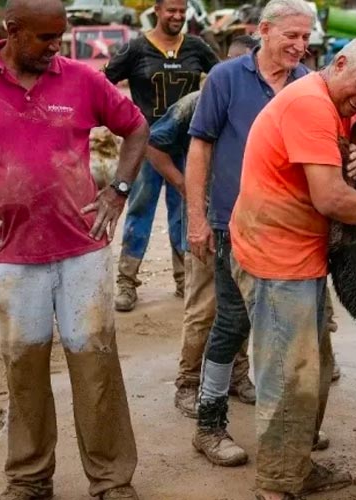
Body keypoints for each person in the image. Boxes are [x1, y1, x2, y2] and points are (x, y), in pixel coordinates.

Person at [229, 34, 356, 500]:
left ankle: (294, 466)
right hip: (277, 258)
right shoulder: (310, 105)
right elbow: (330, 197)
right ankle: (278, 484)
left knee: (314, 368)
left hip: (300, 253)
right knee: (290, 375)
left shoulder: (341, 107)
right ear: (339, 63)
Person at [0, 1, 149, 499]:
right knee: (23, 366)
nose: (55, 47)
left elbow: (136, 127)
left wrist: (119, 189)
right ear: (12, 31)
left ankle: (110, 479)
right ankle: (28, 477)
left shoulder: (82, 80)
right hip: (12, 256)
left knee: (95, 362)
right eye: (44, 38)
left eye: (61, 36)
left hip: (81, 250)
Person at [185, 0, 329, 467]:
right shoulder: (226, 78)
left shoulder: (309, 83)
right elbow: (200, 149)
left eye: (306, 38)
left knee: (293, 329)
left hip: (294, 231)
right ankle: (209, 426)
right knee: (231, 323)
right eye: (292, 36)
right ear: (263, 31)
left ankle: (291, 428)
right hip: (235, 226)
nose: (300, 46)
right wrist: (197, 218)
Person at [145, 36, 259, 418]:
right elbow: (154, 145)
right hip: (207, 227)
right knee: (202, 308)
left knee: (239, 306)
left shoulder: (266, 101)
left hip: (246, 226)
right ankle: (188, 383)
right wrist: (182, 185)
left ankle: (238, 376)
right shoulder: (195, 103)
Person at [104, 0, 219, 312]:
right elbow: (103, 84)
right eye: (171, 10)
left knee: (186, 210)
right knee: (140, 210)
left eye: (182, 11)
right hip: (145, 150)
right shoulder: (136, 49)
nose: (177, 16)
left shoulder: (196, 47)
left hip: (189, 148)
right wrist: (123, 120)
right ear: (157, 10)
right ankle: (127, 282)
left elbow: (223, 79)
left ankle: (185, 280)